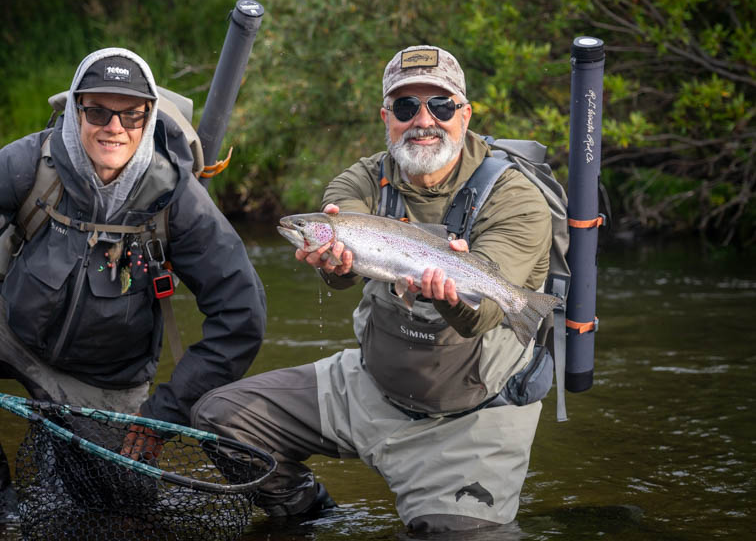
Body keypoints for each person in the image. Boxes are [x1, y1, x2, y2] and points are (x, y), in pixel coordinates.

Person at [0, 48, 266, 524]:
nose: (113, 127)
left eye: (130, 114)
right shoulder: (29, 162)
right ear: (76, 109)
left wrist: (170, 409)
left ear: (148, 117)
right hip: (10, 328)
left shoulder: (179, 199)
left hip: (106, 380)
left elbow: (243, 315)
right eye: (97, 110)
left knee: (121, 513)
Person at [191, 45, 552, 533]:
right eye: (406, 107)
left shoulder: (517, 198)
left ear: (464, 115)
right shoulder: (361, 180)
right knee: (219, 418)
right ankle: (310, 515)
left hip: (471, 416)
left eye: (440, 106)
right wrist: (333, 265)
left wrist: (445, 293)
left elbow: (487, 312)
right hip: (370, 387)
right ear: (387, 117)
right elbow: (340, 266)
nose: (423, 120)